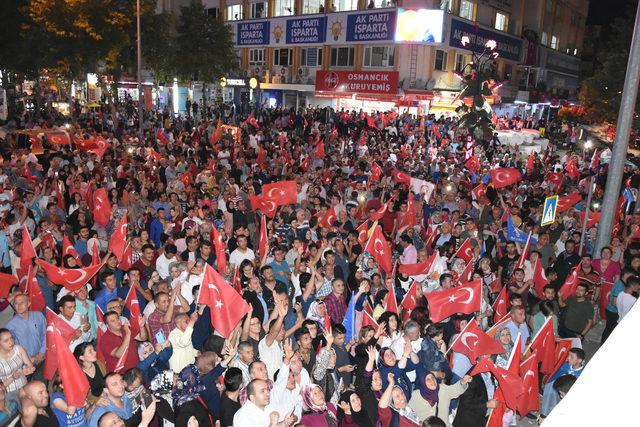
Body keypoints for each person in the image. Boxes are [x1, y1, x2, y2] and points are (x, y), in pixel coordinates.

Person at [5, 293, 46, 376]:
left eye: (22, 302)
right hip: (24, 364)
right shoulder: (10, 325)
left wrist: (41, 353)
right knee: (27, 387)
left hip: (41, 357)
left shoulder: (38, 316)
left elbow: (45, 334)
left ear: (29, 303)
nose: (19, 305)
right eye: (16, 303)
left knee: (41, 384)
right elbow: (9, 347)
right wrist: (26, 359)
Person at [539, 348, 585, 421]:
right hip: (560, 390)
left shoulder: (583, 373)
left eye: (571, 357)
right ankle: (544, 413)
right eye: (568, 355)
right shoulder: (565, 365)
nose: (568, 358)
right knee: (550, 385)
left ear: (579, 360)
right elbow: (554, 377)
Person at [0, 328, 35, 405]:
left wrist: (28, 369)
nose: (11, 342)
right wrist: (13, 377)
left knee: (32, 409)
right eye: (6, 341)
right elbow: (1, 387)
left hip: (25, 385)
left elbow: (31, 367)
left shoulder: (18, 348)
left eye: (11, 338)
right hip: (8, 393)